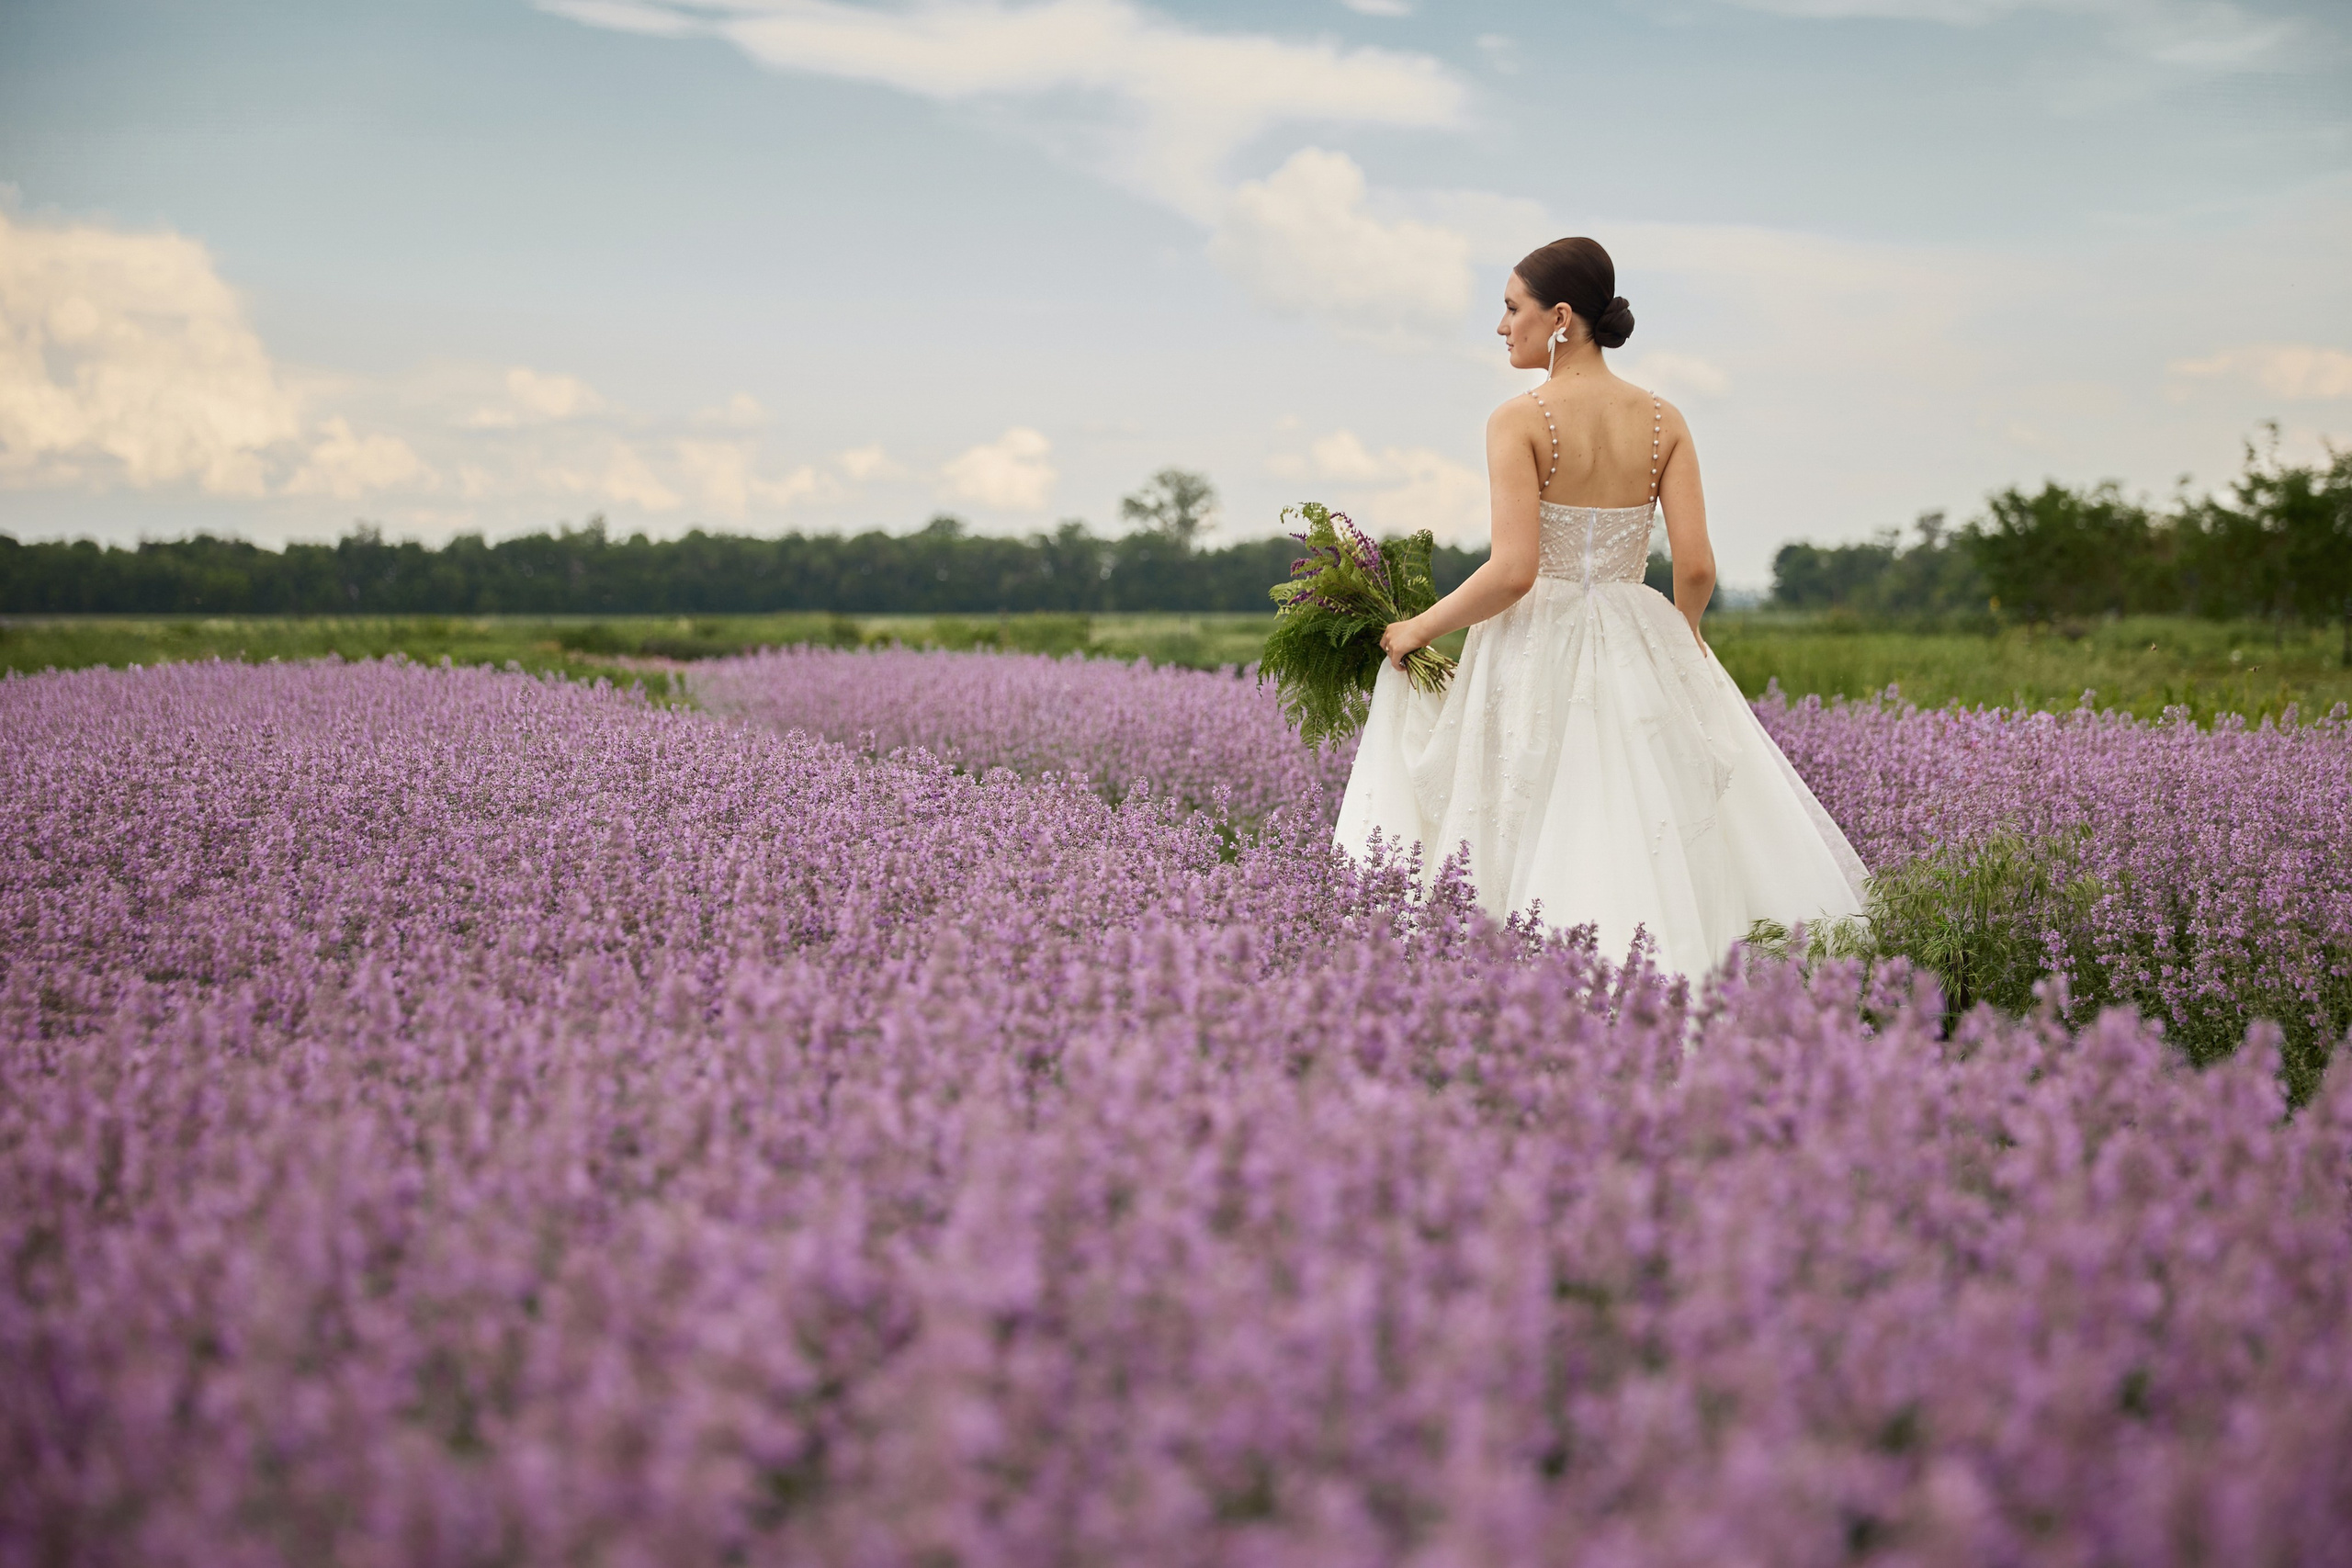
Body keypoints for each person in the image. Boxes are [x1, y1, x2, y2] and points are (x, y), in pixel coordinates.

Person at [1336, 236, 1868, 977]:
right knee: (1649, 822)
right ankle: (1675, 982)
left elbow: (1515, 571)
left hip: (1534, 641)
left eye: (1510, 308)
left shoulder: (1517, 419)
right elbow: (1699, 564)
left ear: (1560, 319)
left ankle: (1526, 992)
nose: (1500, 327)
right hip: (1636, 629)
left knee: (1530, 819)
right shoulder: (1664, 419)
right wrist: (1681, 638)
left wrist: (1418, 628)